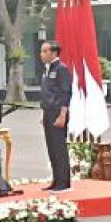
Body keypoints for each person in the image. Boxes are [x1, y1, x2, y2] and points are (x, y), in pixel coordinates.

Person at [38, 40, 73, 192]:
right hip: (48, 112)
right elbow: (48, 93)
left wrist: (62, 115)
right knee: (51, 148)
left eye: (45, 51)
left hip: (58, 112)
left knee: (59, 148)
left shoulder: (61, 69)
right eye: (41, 51)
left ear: (54, 53)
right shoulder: (47, 69)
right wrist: (44, 113)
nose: (41, 54)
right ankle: (56, 179)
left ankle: (64, 183)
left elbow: (65, 93)